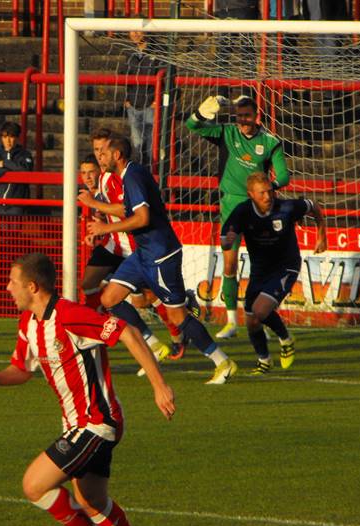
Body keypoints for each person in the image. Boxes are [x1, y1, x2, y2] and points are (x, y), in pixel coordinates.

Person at [0, 252, 175, 526]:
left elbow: (127, 333)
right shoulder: (28, 323)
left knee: (34, 485)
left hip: (97, 422)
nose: (7, 288)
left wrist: (160, 386)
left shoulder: (69, 316)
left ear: (32, 286)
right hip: (76, 426)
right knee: (92, 500)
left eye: (12, 282)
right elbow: (22, 370)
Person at [87, 137, 238, 385]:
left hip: (161, 254)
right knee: (109, 298)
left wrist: (104, 227)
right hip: (143, 253)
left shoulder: (133, 176)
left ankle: (222, 361)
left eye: (105, 152)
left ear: (118, 155)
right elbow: (129, 211)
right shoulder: (129, 175)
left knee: (177, 317)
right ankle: (153, 346)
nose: (101, 157)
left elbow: (142, 217)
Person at [186, 94, 290, 339]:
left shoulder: (270, 141)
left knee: (263, 266)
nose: (243, 121)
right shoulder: (226, 133)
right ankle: (231, 322)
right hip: (231, 208)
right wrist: (201, 113)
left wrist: (266, 190)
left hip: (258, 211)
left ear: (256, 116)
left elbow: (284, 176)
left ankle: (266, 316)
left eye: (247, 116)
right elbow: (192, 126)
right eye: (239, 116)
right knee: (230, 265)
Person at [80, 129, 185, 364]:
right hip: (112, 244)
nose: (99, 155)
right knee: (89, 284)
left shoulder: (124, 175)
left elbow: (128, 210)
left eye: (102, 149)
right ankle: (105, 331)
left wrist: (96, 205)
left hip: (132, 245)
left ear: (114, 151)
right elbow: (109, 209)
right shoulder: (105, 178)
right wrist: (98, 226)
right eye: (96, 150)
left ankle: (175, 331)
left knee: (145, 298)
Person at [221, 172, 327, 374]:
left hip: (286, 266)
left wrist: (322, 235)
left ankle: (286, 340)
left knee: (260, 311)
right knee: (251, 320)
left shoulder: (286, 207)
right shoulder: (242, 211)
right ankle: (264, 361)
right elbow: (226, 236)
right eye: (262, 193)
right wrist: (228, 239)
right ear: (251, 194)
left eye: (270, 191)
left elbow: (313, 207)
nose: (268, 197)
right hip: (260, 269)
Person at [123, 29, 161, 166]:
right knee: (136, 144)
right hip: (133, 104)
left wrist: (157, 100)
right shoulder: (129, 52)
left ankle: (152, 173)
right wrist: (127, 98)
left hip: (151, 105)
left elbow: (164, 75)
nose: (135, 33)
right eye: (132, 30)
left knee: (152, 144)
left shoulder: (158, 51)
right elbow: (124, 75)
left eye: (138, 30)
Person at [0, 121, 33, 215]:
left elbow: (25, 170)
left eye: (11, 137)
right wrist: (9, 169)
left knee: (15, 230)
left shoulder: (24, 154)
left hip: (17, 204)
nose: (8, 141)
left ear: (17, 138)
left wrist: (5, 163)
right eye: (5, 137)